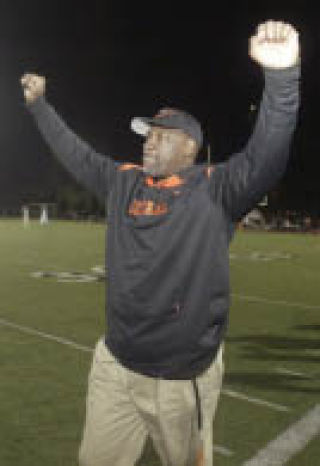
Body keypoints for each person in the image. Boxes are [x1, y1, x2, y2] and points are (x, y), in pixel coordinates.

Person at [21, 20, 300, 466]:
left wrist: (283, 77)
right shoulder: (123, 182)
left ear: (189, 147)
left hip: (177, 379)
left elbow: (266, 157)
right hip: (115, 363)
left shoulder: (215, 188)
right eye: (147, 135)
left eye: (160, 136)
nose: (148, 143)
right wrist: (39, 107)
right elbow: (74, 151)